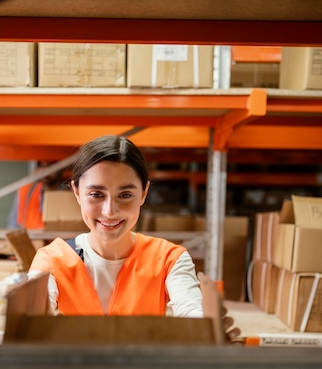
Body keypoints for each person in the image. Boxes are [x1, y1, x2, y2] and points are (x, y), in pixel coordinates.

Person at [28, 134, 205, 318]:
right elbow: (32, 315)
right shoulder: (52, 260)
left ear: (144, 193)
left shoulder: (169, 260)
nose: (110, 211)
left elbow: (192, 312)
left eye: (125, 195)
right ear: (77, 192)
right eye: (96, 194)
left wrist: (209, 330)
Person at [8, 163, 63, 230]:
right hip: (30, 238)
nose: (45, 170)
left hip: (57, 239)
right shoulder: (25, 191)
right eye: (40, 166)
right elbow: (13, 223)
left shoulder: (68, 194)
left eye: (50, 166)